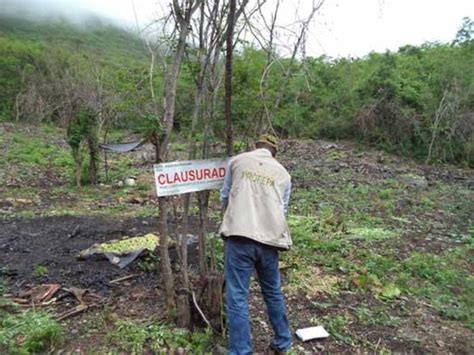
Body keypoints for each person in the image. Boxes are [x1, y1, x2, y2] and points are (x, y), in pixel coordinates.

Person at [219, 134, 292, 355]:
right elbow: (283, 210)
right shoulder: (283, 174)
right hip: (269, 241)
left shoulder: (237, 161)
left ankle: (241, 351)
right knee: (272, 291)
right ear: (274, 151)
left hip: (240, 237)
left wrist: (230, 219)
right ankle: (283, 341)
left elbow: (225, 196)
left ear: (255, 146)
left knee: (238, 296)